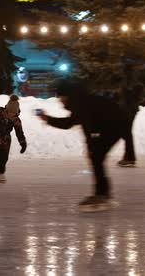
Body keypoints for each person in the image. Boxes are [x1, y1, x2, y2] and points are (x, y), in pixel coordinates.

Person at [37, 80, 125, 212]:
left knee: (96, 157)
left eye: (60, 97)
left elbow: (89, 127)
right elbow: (70, 123)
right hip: (111, 126)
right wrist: (48, 119)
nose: (60, 101)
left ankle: (102, 194)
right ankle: (103, 192)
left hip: (113, 127)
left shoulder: (81, 104)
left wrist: (91, 146)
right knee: (96, 158)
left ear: (67, 95)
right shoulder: (79, 102)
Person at [0, 91, 27, 183]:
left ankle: (1, 172)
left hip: (6, 139)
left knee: (4, 157)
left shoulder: (16, 120)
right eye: (10, 112)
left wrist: (22, 142)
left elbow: (19, 132)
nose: (11, 114)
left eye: (13, 113)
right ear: (7, 109)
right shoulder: (0, 112)